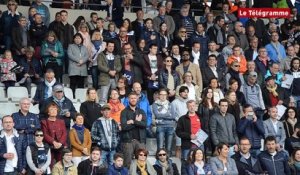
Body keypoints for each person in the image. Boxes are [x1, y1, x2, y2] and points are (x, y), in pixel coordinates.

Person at [120, 92, 147, 168]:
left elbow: (144, 125)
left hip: (140, 141)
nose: (133, 100)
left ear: (137, 99)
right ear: (128, 99)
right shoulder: (124, 112)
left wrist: (133, 121)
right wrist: (138, 122)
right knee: (127, 163)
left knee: (142, 163)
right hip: (128, 141)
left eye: (135, 98)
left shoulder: (141, 111)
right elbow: (124, 127)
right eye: (131, 98)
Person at [41, 102, 67, 167]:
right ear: (48, 112)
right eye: (51, 109)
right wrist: (53, 142)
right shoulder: (44, 122)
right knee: (49, 165)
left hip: (60, 146)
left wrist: (60, 143)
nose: (54, 111)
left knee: (61, 165)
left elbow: (64, 133)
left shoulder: (61, 121)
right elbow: (45, 134)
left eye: (55, 109)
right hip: (49, 146)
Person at [97, 40, 122, 105]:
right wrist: (109, 71)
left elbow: (120, 66)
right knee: (103, 98)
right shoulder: (101, 55)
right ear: (106, 47)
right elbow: (100, 66)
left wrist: (115, 71)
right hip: (105, 79)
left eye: (112, 46)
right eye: (110, 46)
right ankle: (102, 113)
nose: (111, 48)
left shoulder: (116, 56)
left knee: (114, 97)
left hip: (115, 79)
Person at [152, 88, 176, 156]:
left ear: (167, 96)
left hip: (170, 126)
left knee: (168, 148)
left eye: (165, 95)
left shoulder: (170, 104)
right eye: (161, 94)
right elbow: (157, 115)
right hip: (160, 126)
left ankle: (168, 163)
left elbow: (173, 116)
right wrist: (168, 115)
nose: (163, 96)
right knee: (160, 147)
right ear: (159, 95)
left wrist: (162, 116)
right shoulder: (155, 104)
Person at [197, 87, 218, 155]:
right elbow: (199, 118)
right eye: (208, 92)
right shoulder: (201, 105)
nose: (210, 94)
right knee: (205, 148)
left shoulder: (215, 105)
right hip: (205, 128)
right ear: (205, 94)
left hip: (214, 128)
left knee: (214, 147)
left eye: (211, 92)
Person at [171, 86, 189, 158]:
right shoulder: (174, 102)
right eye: (184, 92)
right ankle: (178, 164)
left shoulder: (189, 102)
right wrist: (180, 120)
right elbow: (172, 115)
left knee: (187, 147)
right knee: (178, 146)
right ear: (180, 93)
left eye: (187, 92)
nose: (186, 93)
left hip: (188, 127)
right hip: (179, 126)